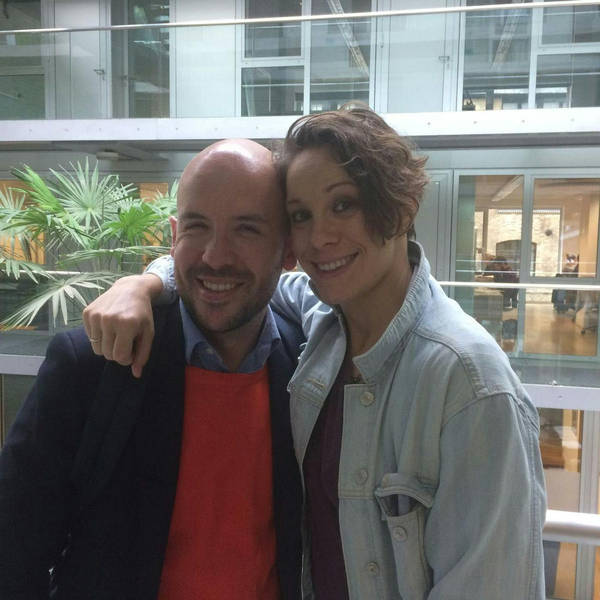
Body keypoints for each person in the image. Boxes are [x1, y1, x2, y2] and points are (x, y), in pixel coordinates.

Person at [82, 107, 547, 599]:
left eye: (343, 205)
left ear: (402, 207)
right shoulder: (323, 317)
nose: (320, 238)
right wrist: (143, 283)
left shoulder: (469, 384)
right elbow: (224, 273)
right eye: (301, 215)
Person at [0, 140, 303, 600]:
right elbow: (14, 550)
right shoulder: (96, 363)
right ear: (174, 235)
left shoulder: (310, 365)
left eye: (247, 229)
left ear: (288, 250)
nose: (215, 256)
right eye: (197, 226)